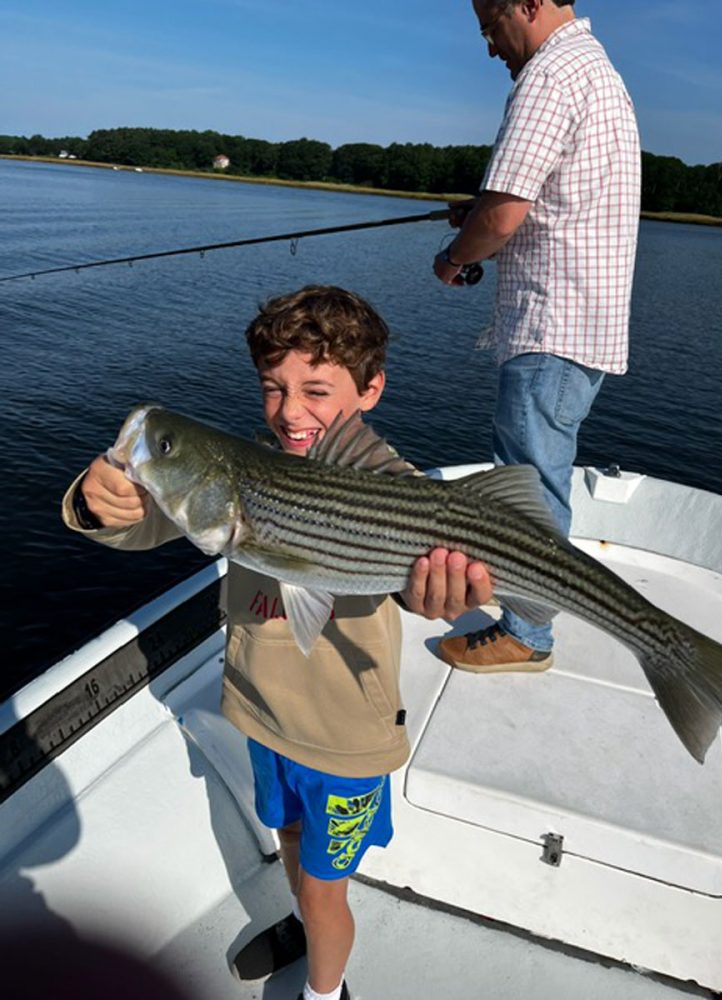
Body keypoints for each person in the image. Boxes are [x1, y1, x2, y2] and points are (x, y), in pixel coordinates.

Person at [61, 285, 493, 1000]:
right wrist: (99, 498)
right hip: (262, 719)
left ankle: (326, 990)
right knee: (291, 845)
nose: (291, 411)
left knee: (327, 890)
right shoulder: (243, 470)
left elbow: (427, 586)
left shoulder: (403, 490)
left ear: (371, 389)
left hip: (344, 743)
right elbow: (148, 520)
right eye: (273, 387)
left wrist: (436, 597)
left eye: (317, 390)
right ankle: (304, 921)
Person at [433, 0, 641, 672]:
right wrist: (483, 209)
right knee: (538, 475)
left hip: (552, 324)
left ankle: (528, 634)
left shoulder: (549, 75)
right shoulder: (595, 68)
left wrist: (456, 256)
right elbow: (542, 200)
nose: (491, 47)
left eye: (490, 27)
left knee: (529, 485)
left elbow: (504, 217)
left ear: (524, 4)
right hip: (584, 325)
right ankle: (533, 619)